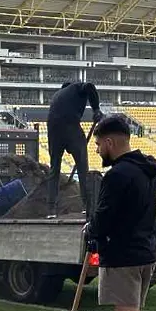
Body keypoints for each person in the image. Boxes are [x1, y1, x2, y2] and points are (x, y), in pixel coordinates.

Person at [89, 114, 156, 311]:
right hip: (143, 251)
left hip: (124, 255)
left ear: (110, 142)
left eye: (97, 144)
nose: (96, 150)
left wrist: (92, 231)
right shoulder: (146, 169)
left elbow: (105, 217)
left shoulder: (118, 175)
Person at [45, 81, 103, 217]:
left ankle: (51, 209)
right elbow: (90, 86)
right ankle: (87, 206)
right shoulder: (76, 87)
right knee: (83, 168)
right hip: (70, 126)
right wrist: (96, 109)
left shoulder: (58, 95)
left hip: (53, 130)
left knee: (54, 170)